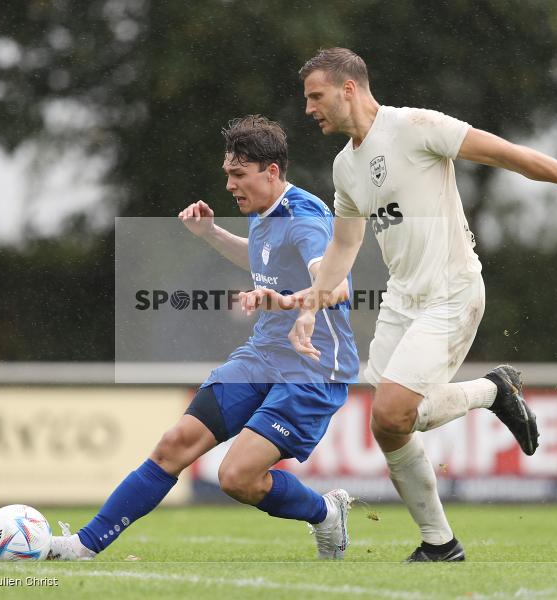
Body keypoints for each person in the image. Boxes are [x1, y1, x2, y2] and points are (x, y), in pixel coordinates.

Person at [290, 48, 557, 562]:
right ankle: (440, 543)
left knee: (394, 410)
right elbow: (344, 246)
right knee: (387, 424)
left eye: (316, 96)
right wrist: (310, 305)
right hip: (403, 299)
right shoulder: (344, 167)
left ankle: (491, 392)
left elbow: (507, 154)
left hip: (451, 291)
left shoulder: (416, 127)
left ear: (348, 88)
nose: (309, 108)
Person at [47, 115, 360, 561]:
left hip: (311, 366)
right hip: (262, 356)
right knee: (175, 444)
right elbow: (261, 261)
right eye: (227, 174)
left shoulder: (304, 219)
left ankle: (325, 512)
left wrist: (288, 304)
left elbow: (338, 287)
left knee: (237, 477)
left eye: (238, 175)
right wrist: (210, 233)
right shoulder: (264, 211)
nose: (231, 185)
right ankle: (85, 544)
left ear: (271, 172)